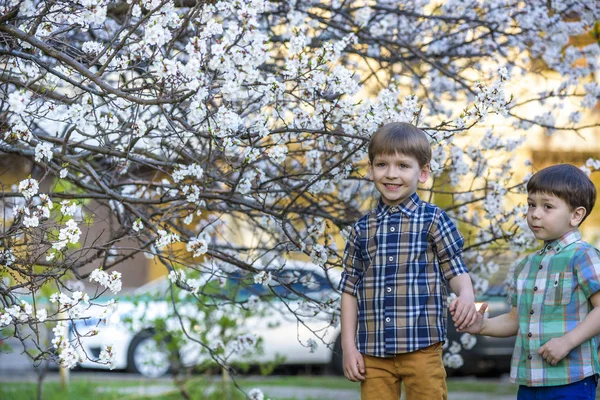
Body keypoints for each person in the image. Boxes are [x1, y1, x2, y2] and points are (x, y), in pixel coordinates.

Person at [338, 122, 477, 400]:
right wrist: (349, 347)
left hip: (422, 346)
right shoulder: (361, 229)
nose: (391, 174)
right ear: (370, 169)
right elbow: (349, 290)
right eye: (382, 164)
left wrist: (466, 294)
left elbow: (455, 268)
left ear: (422, 172)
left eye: (403, 165)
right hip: (373, 351)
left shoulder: (434, 219)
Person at [461, 164, 600, 400]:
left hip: (572, 380)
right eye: (531, 205)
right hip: (529, 382)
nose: (535, 213)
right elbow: (515, 319)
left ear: (576, 215)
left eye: (547, 206)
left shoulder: (583, 256)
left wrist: (567, 341)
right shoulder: (525, 267)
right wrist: (482, 326)